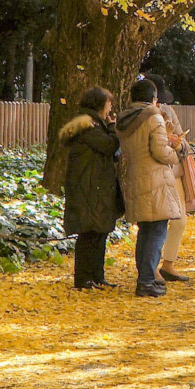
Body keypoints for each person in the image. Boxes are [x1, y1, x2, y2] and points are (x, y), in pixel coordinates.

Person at [116, 77, 186, 297]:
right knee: (156, 231)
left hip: (136, 175)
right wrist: (173, 149)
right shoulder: (153, 117)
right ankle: (146, 281)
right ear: (153, 99)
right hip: (155, 179)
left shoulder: (125, 118)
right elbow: (159, 152)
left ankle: (144, 277)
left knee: (145, 231)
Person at [59, 86, 122, 290]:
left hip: (95, 185)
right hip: (88, 186)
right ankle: (84, 278)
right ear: (100, 104)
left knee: (99, 233)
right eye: (108, 103)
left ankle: (97, 275)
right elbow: (108, 146)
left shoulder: (94, 124)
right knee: (89, 234)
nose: (110, 107)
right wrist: (113, 127)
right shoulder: (87, 126)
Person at [153, 79, 193, 283]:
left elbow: (183, 143)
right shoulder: (142, 115)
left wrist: (177, 143)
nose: (159, 103)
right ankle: (150, 267)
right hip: (152, 173)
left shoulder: (169, 112)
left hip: (173, 171)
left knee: (179, 220)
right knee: (154, 223)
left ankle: (168, 264)